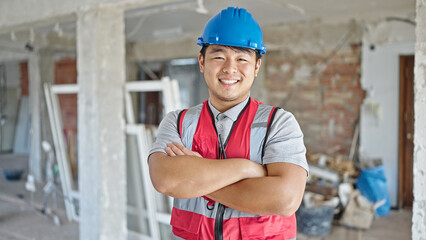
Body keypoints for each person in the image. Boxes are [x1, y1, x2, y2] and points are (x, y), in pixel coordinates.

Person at [148, 6, 308, 240]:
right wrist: (247, 168)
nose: (230, 68)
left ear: (256, 66)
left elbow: (285, 199)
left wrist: (194, 181)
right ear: (202, 62)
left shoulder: (279, 123)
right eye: (219, 56)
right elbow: (164, 179)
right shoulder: (178, 122)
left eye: (242, 58)